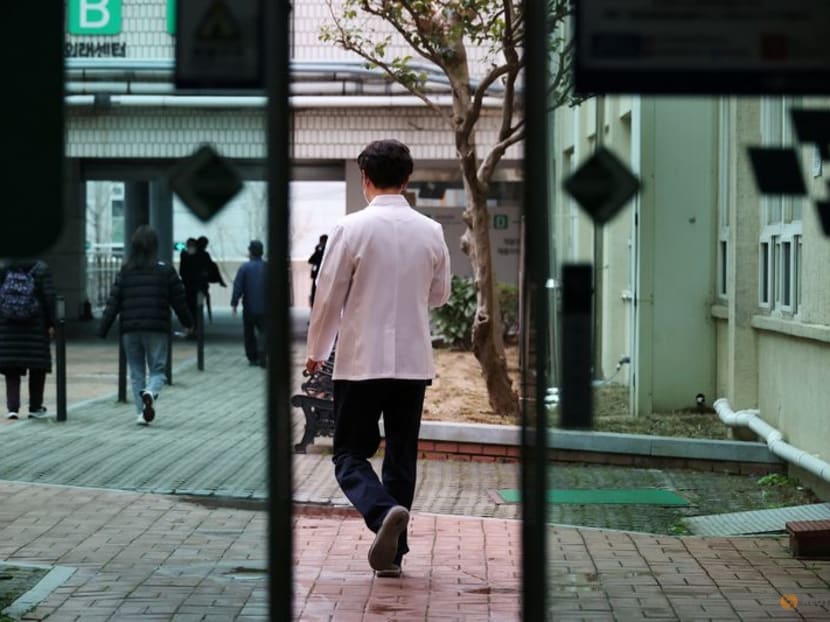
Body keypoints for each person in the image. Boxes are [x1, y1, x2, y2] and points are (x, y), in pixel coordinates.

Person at [305, 139, 451, 578]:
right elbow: (440, 296)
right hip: (412, 364)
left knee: (349, 453)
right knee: (401, 456)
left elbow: (327, 298)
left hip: (360, 362)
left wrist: (316, 354)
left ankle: (380, 510)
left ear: (365, 179)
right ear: (407, 179)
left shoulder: (350, 229)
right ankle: (394, 554)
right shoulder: (432, 231)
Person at [99, 225, 194, 426]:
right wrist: (189, 323)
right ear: (155, 247)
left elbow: (114, 301)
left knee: (136, 371)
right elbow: (179, 300)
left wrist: (103, 328)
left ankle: (141, 414)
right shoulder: (165, 270)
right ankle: (151, 392)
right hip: (156, 328)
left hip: (130, 330)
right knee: (158, 370)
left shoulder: (126, 270)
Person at [0, 259, 57, 420]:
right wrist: (53, 323)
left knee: (11, 369)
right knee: (37, 368)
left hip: (8, 326)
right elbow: (50, 298)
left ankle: (12, 408)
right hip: (36, 326)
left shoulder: (5, 268)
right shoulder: (41, 268)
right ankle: (35, 407)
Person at [231, 240, 267, 367]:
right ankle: (263, 352)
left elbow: (238, 286)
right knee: (264, 331)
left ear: (250, 251)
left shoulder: (244, 267)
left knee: (249, 333)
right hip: (266, 308)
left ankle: (252, 357)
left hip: (249, 307)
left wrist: (234, 302)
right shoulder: (267, 267)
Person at [307, 234, 327, 307]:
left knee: (320, 294)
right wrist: (317, 250)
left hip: (323, 276)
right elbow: (310, 260)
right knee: (314, 293)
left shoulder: (327, 252)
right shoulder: (318, 250)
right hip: (316, 275)